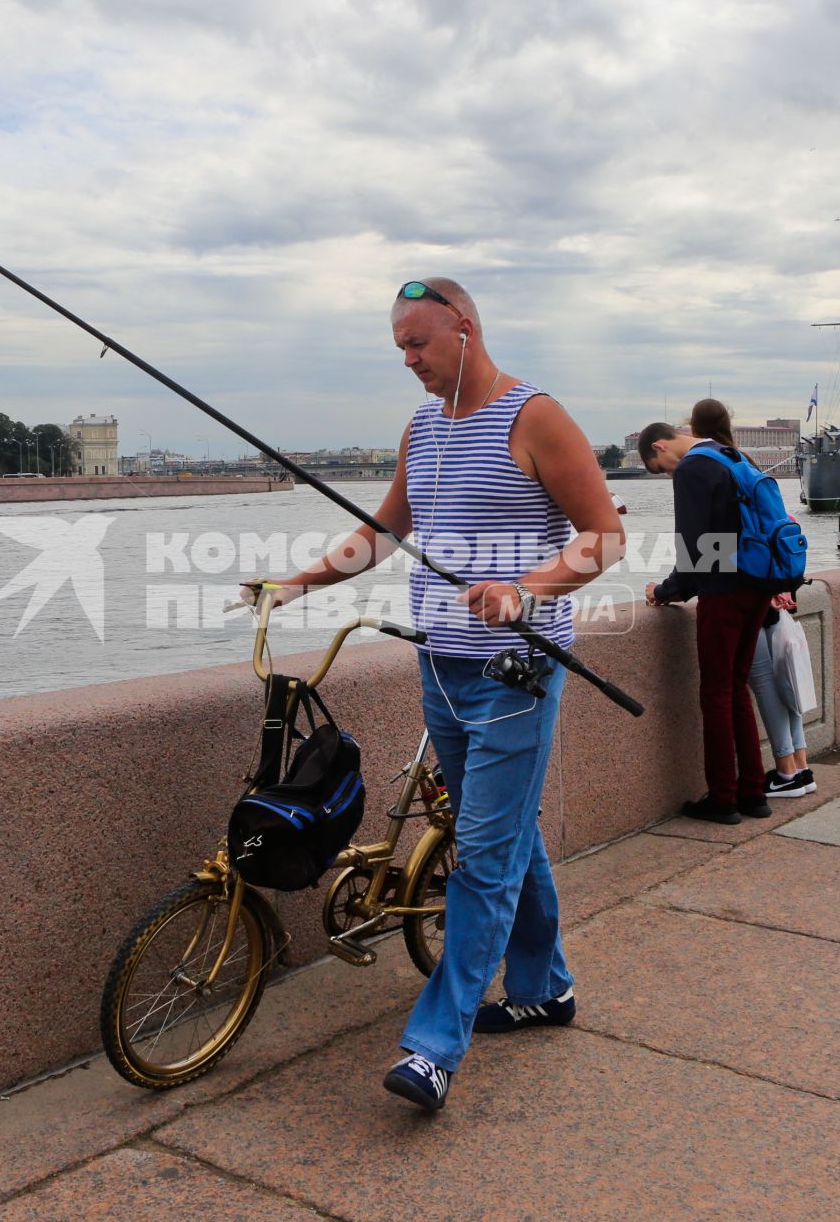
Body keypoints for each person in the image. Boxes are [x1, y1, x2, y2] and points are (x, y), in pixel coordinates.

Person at [243, 277, 624, 1112]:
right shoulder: (423, 428)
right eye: (399, 350)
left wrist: (526, 587)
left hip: (515, 677)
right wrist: (297, 584)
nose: (409, 361)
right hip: (440, 672)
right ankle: (544, 987)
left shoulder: (536, 417)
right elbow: (384, 532)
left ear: (465, 327)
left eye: (418, 343)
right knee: (500, 831)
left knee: (483, 859)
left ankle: (433, 1047)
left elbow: (606, 539)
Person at [637, 400, 774, 825]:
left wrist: (666, 590)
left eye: (659, 467)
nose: (667, 475)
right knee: (737, 690)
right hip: (757, 585)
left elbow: (697, 549)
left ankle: (723, 799)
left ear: (660, 445)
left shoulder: (695, 467)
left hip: (724, 593)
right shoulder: (730, 455)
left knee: (715, 695)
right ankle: (753, 793)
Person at [748, 593, 814, 796]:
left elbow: (705, 564)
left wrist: (664, 591)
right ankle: (801, 768)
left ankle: (787, 774)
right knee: (787, 681)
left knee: (764, 683)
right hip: (776, 601)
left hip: (752, 602)